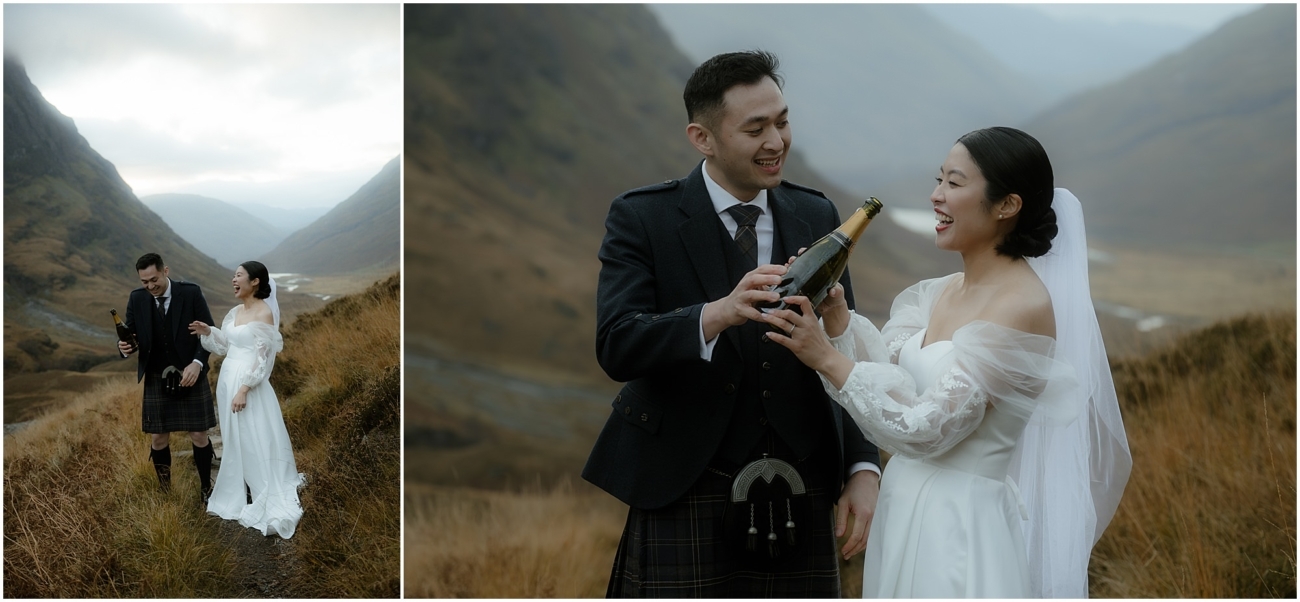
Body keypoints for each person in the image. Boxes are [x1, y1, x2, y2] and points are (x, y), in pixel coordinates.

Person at [760, 126, 1132, 597]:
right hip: (906, 509)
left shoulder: (1021, 307)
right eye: (939, 180)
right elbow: (896, 384)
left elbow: (926, 430)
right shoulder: (939, 292)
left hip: (959, 528)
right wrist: (837, 322)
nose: (936, 196)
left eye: (954, 184)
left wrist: (826, 359)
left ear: (1006, 205)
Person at [583, 50, 882, 597]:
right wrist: (716, 314)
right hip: (684, 483)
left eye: (783, 121)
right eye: (756, 128)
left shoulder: (816, 216)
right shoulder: (642, 217)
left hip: (804, 485)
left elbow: (843, 350)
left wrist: (864, 466)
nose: (777, 141)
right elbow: (617, 344)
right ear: (703, 137)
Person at [189, 261, 304, 539]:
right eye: (233, 275)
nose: (233, 280)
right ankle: (245, 486)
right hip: (228, 380)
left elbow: (263, 358)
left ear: (255, 282)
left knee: (254, 435)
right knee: (235, 435)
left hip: (247, 386)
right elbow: (228, 346)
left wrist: (244, 388)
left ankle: (262, 487)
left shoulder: (264, 313)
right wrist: (209, 332)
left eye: (239, 275)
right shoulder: (235, 312)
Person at [119, 253, 218, 501]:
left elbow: (208, 333)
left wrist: (197, 363)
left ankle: (207, 489)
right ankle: (166, 493)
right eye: (145, 282)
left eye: (154, 279)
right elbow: (130, 335)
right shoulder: (137, 298)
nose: (150, 286)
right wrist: (125, 347)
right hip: (156, 376)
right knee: (158, 438)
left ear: (165, 270)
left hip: (189, 374)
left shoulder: (191, 293)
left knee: (198, 434)